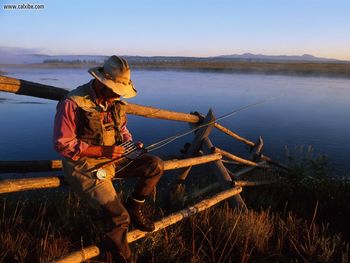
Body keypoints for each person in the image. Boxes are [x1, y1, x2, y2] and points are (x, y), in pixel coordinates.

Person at [53, 55, 164, 262]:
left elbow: (122, 130)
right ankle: (123, 258)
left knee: (154, 165)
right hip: (83, 164)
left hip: (115, 156)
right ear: (101, 83)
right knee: (119, 218)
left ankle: (135, 205)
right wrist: (101, 152)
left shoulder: (115, 103)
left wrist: (131, 144)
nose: (117, 96)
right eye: (115, 91)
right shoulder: (73, 102)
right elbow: (62, 143)